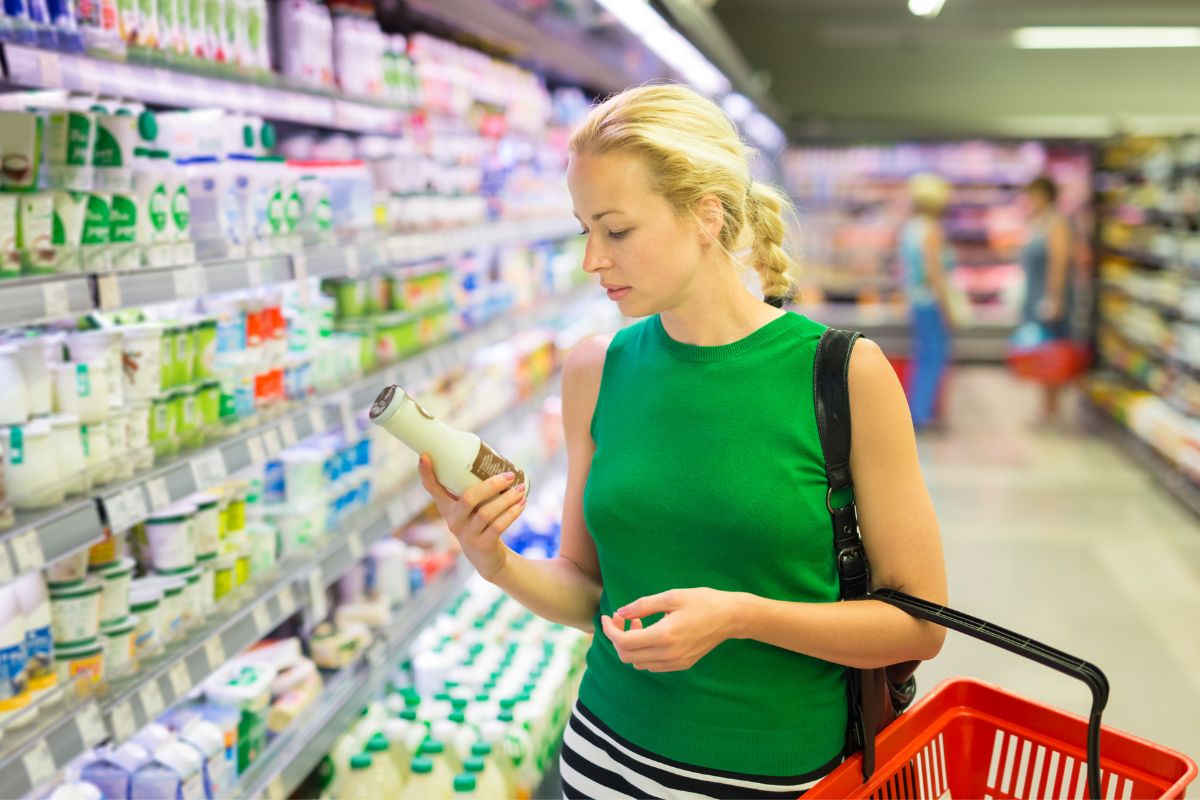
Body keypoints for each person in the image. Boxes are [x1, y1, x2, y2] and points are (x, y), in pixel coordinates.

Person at [416, 84, 948, 799]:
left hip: (778, 777)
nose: (591, 261)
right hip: (601, 758)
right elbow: (587, 592)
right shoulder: (595, 371)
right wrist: (495, 560)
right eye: (584, 230)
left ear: (706, 215)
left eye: (617, 230)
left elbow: (919, 624)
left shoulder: (843, 374)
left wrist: (739, 616)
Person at [898, 173, 957, 431]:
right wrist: (948, 307)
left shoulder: (911, 227)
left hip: (916, 300)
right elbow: (935, 274)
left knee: (923, 355)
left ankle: (918, 410)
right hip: (931, 302)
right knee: (934, 356)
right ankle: (923, 414)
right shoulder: (931, 230)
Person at [1020, 175, 1074, 425]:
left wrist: (1054, 299)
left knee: (1053, 352)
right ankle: (1046, 408)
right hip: (1036, 295)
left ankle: (1053, 409)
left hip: (1048, 299)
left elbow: (1058, 264)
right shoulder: (1038, 223)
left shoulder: (1057, 224)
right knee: (1041, 352)